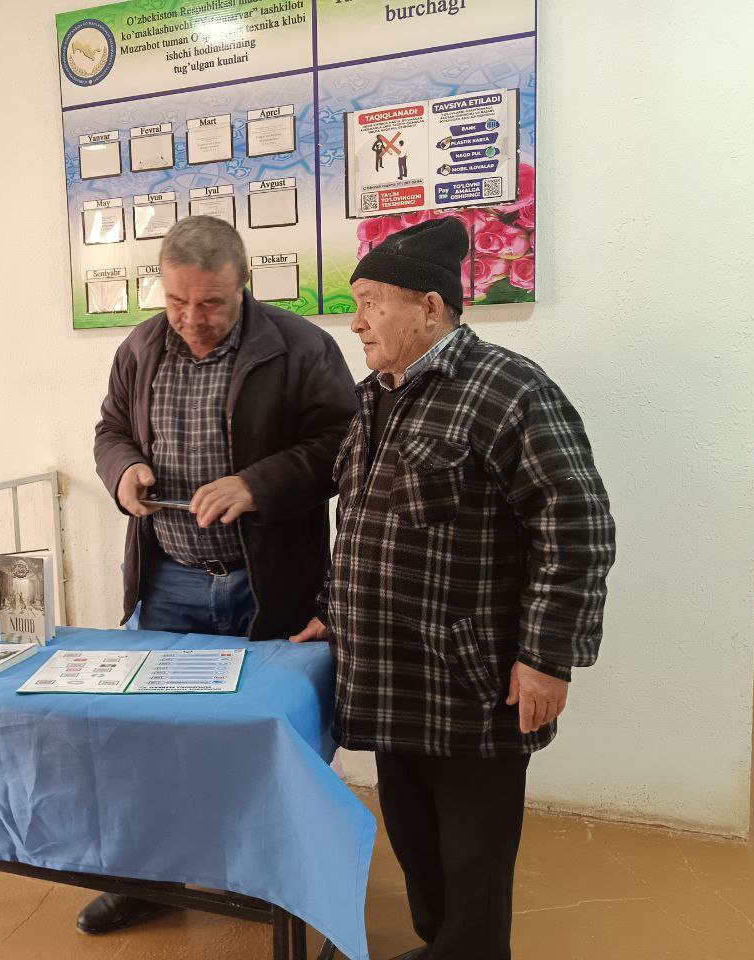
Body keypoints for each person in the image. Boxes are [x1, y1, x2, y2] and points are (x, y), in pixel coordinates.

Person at [293, 217, 616, 960]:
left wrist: (547, 657)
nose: (356, 321)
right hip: (390, 675)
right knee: (418, 847)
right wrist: (331, 612)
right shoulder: (374, 396)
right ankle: (442, 947)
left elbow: (577, 526)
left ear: (430, 307)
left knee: (473, 860)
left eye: (371, 302)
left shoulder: (508, 389)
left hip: (473, 683)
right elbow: (363, 521)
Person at [89, 215, 357, 934]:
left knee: (273, 747)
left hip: (265, 581)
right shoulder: (140, 347)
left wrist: (256, 485)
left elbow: (343, 444)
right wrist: (123, 470)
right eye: (177, 301)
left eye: (209, 303)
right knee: (151, 740)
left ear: (245, 285)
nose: (191, 319)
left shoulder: (302, 348)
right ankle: (148, 880)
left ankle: (282, 889)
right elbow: (110, 430)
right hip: (168, 579)